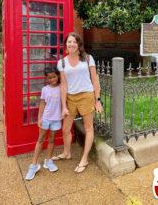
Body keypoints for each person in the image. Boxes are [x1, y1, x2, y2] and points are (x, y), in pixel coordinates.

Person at [52, 32, 103, 173]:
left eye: (75, 42)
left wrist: (97, 100)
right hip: (70, 98)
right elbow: (63, 85)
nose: (72, 44)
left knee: (88, 128)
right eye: (69, 42)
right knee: (65, 129)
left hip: (86, 96)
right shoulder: (61, 62)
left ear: (79, 44)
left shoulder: (87, 59)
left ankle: (84, 158)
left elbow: (95, 79)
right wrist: (63, 106)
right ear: (66, 45)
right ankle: (67, 153)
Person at [25, 67, 62, 181]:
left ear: (58, 76)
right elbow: (42, 103)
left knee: (51, 139)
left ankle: (48, 160)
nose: (52, 79)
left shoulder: (62, 88)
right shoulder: (45, 89)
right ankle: (34, 165)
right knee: (40, 139)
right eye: (49, 78)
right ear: (46, 79)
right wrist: (39, 118)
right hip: (46, 118)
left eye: (54, 76)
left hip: (56, 119)